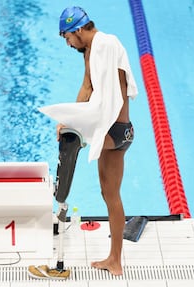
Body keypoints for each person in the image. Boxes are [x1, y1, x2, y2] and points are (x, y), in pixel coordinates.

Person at [55, 6, 138, 276]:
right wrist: (69, 119)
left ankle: (115, 259)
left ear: (78, 30)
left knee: (110, 194)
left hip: (117, 130)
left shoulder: (108, 44)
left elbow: (117, 91)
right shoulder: (90, 50)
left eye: (67, 37)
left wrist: (89, 126)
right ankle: (113, 258)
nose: (68, 44)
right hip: (113, 131)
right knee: (108, 194)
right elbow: (88, 87)